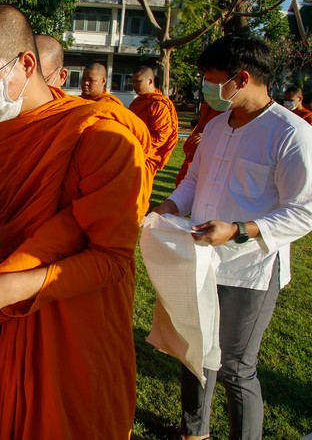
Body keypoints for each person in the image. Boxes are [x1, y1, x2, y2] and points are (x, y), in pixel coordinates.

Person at [0, 2, 152, 439]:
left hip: (60, 325)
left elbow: (113, 260)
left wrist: (7, 288)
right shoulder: (0, 126)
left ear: (26, 64)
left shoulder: (102, 137)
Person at [152, 33, 312, 440]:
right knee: (195, 350)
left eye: (212, 80)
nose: (207, 89)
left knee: (236, 367)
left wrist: (239, 230)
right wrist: (169, 206)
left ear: (242, 79)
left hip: (250, 268)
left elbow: (304, 211)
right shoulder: (216, 126)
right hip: (200, 259)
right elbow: (194, 180)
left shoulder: (290, 133)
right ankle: (195, 433)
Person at [128, 65, 179, 180]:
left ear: (150, 81)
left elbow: (161, 136)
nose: (134, 85)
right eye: (133, 82)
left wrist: (137, 147)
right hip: (131, 152)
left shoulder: (159, 105)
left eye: (138, 81)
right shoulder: (138, 101)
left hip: (146, 156)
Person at [175, 101, 224, 186]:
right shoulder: (209, 103)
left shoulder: (231, 107)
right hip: (194, 152)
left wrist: (209, 134)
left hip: (211, 154)